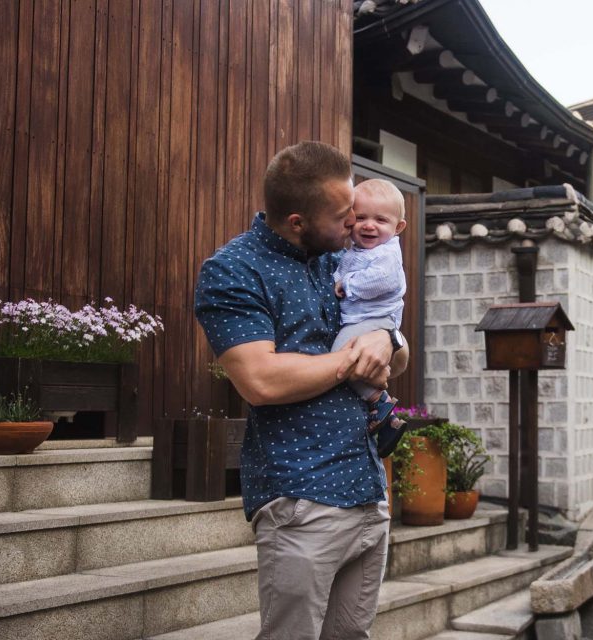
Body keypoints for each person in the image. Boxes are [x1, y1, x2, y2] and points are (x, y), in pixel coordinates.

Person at [194, 141, 408, 640]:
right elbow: (260, 380)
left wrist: (387, 336)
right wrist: (356, 357)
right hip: (303, 496)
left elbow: (398, 360)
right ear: (297, 221)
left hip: (367, 488)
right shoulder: (233, 270)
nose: (356, 223)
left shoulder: (339, 258)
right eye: (343, 216)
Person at [332, 178, 410, 457]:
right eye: (361, 217)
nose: (369, 225)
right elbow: (342, 269)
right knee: (351, 358)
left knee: (340, 355)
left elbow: (382, 281)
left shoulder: (387, 254)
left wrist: (347, 285)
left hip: (377, 320)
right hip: (362, 320)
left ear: (398, 227)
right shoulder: (354, 251)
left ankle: (379, 399)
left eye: (380, 219)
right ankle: (385, 415)